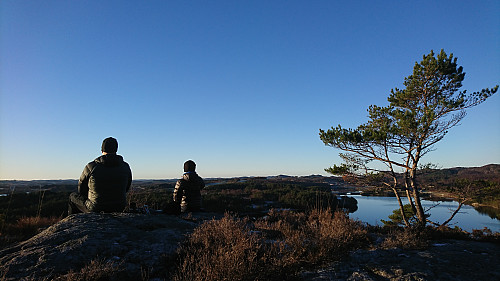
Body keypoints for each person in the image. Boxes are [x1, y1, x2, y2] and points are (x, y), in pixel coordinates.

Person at [68, 137, 132, 215]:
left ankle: (75, 224)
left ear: (102, 150)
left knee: (72, 197)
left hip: (95, 208)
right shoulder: (125, 166)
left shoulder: (91, 166)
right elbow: (127, 187)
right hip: (119, 206)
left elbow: (81, 188)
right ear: (116, 150)